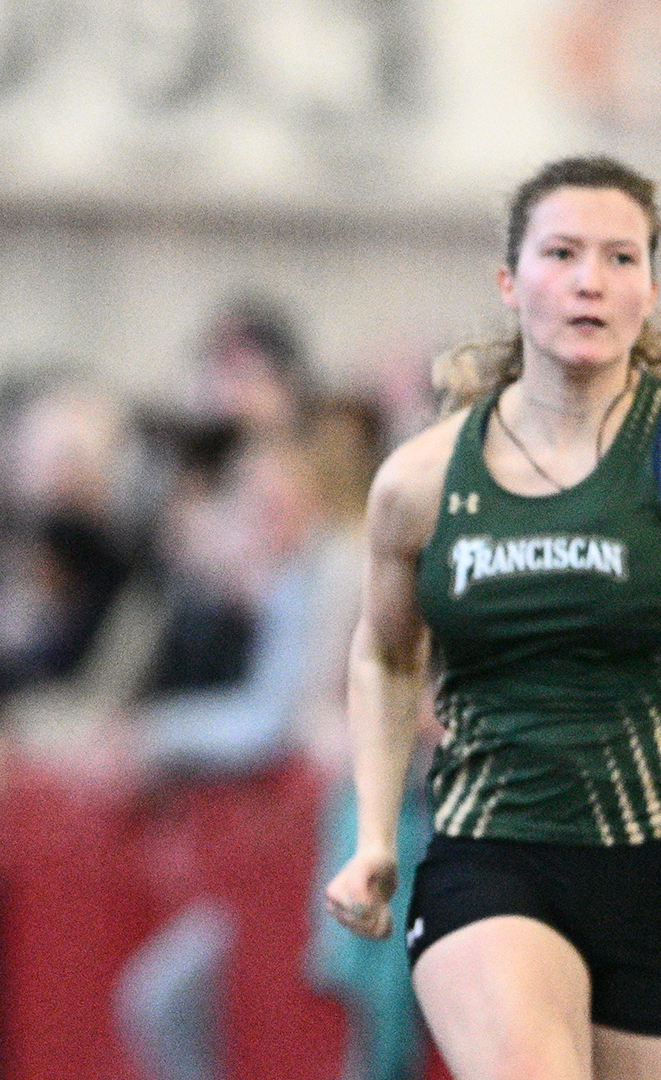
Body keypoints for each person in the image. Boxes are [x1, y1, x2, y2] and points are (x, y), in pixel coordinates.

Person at [326, 156, 661, 1079]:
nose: (591, 280)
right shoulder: (421, 482)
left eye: (621, 257)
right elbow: (387, 659)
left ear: (651, 286)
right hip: (494, 853)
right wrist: (377, 837)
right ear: (511, 284)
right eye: (562, 253)